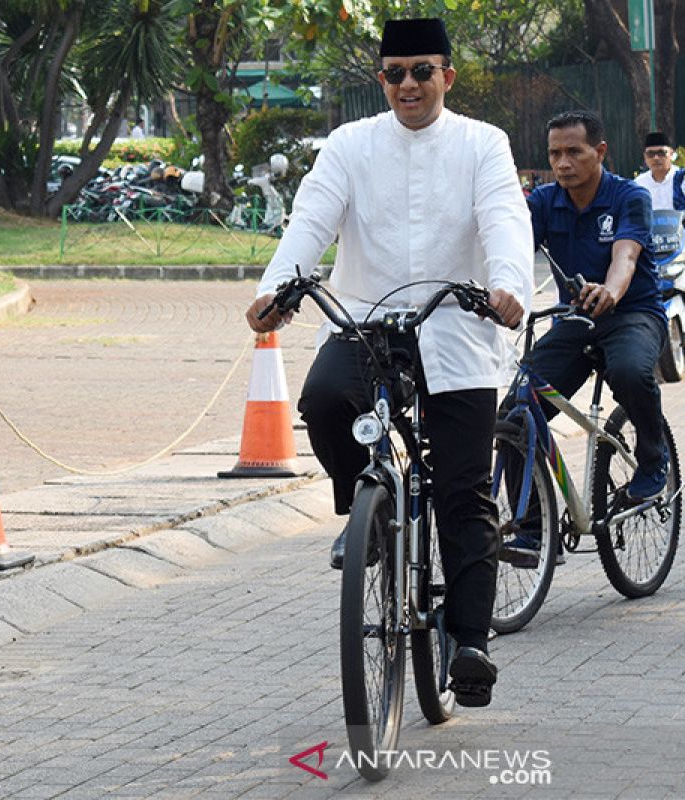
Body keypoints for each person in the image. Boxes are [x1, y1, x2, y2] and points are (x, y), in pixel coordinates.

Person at [245, 18, 533, 708]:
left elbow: (502, 219)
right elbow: (310, 221)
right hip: (368, 325)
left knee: (463, 492)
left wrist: (509, 288)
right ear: (381, 80)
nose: (408, 85)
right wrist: (274, 291)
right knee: (321, 400)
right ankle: (364, 513)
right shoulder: (349, 144)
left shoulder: (481, 144)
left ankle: (469, 644)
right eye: (394, 74)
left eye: (422, 71)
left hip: (460, 331)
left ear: (447, 76)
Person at [504, 111, 668, 558]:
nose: (562, 163)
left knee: (631, 371)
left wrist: (611, 291)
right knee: (516, 413)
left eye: (573, 152)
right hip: (574, 321)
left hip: (632, 313)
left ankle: (653, 461)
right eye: (554, 153)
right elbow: (508, 246)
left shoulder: (629, 196)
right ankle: (535, 530)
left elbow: (626, 257)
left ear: (600, 152)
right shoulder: (542, 201)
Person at [633, 131, 685, 223]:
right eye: (650, 154)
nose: (656, 158)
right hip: (650, 234)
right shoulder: (639, 184)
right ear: (645, 157)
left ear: (671, 154)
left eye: (661, 153)